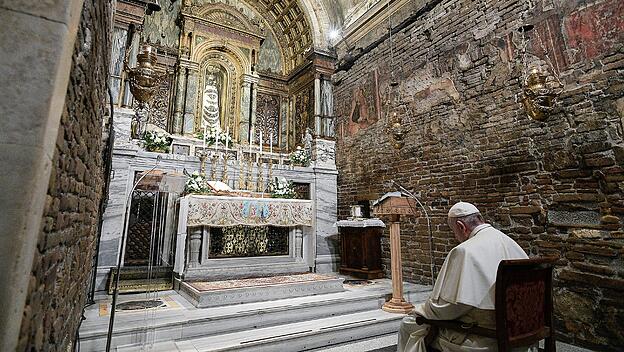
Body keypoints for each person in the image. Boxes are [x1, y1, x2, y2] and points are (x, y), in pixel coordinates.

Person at [398, 201, 529, 352]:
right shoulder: (511, 243)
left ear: (461, 226)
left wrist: (421, 310)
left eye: (454, 231)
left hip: (485, 337)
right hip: (521, 330)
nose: (456, 236)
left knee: (408, 324)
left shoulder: (464, 251)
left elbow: (451, 307)